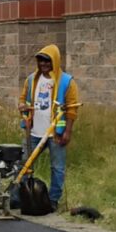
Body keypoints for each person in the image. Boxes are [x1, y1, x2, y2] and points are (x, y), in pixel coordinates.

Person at [15, 44, 80, 212]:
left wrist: (67, 131)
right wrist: (22, 107)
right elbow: (23, 99)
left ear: (55, 61)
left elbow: (72, 109)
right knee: (22, 164)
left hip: (55, 134)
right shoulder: (31, 80)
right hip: (33, 132)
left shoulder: (67, 82)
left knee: (57, 168)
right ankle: (19, 197)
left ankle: (52, 200)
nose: (43, 64)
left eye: (47, 60)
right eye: (40, 60)